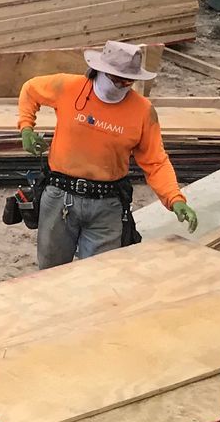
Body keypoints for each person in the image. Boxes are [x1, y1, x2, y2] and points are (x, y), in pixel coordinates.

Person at [19, 40, 199, 268]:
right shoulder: (69, 87)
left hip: (107, 205)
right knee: (50, 272)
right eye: (117, 79)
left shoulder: (142, 111)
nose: (122, 85)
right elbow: (30, 90)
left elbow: (155, 162)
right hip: (59, 197)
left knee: (100, 274)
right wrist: (26, 127)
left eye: (128, 81)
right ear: (100, 70)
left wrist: (175, 199)